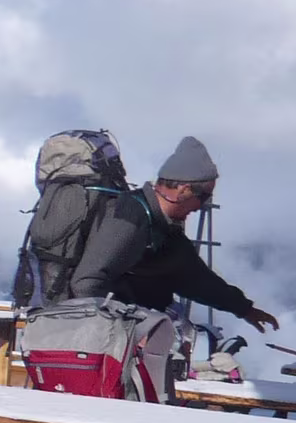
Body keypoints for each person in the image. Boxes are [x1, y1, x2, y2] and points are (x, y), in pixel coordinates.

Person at [68, 137, 279, 332]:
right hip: (93, 340)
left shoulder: (163, 229)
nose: (202, 206)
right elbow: (87, 281)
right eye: (204, 196)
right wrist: (109, 334)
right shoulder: (129, 216)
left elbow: (195, 278)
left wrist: (244, 309)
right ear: (184, 190)